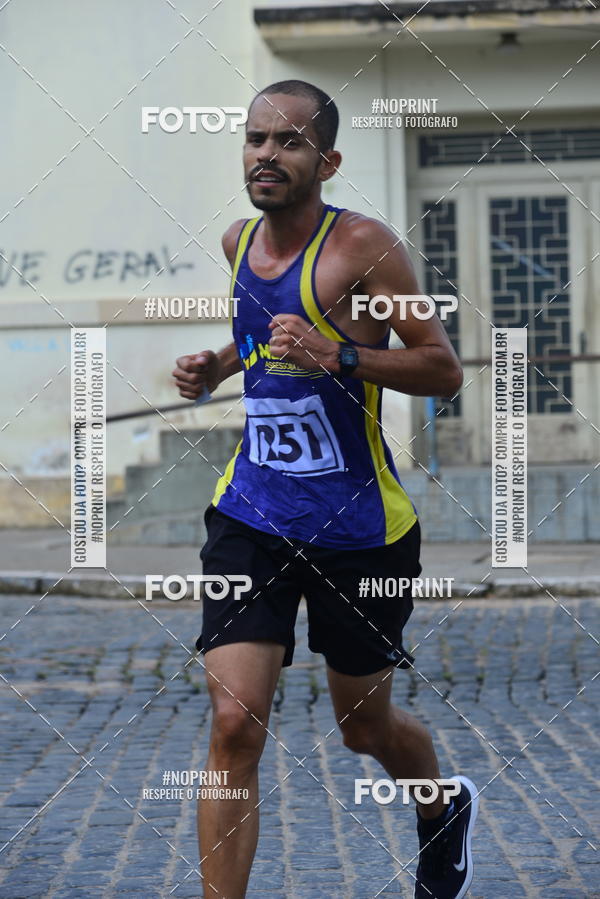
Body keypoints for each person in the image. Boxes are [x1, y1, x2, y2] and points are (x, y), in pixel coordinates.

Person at [173, 79, 478, 899]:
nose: (266, 154)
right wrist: (218, 364)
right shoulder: (238, 242)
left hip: (359, 532)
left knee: (362, 725)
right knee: (235, 724)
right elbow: (260, 334)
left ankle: (441, 805)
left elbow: (442, 369)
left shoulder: (368, 248)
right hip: (252, 514)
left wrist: (340, 354)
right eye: (255, 138)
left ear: (327, 159)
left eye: (289, 141)